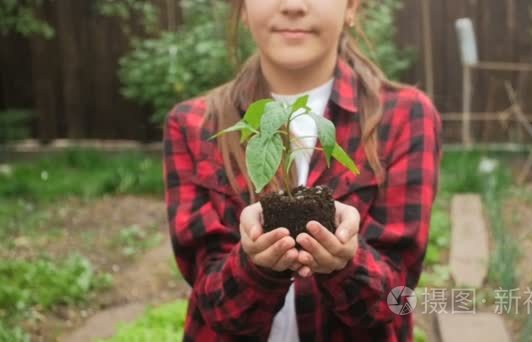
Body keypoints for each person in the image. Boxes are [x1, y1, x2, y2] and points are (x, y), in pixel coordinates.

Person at [162, 0, 443, 341]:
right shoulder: (193, 124)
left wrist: (347, 261)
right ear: (244, 10)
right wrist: (253, 264)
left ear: (351, 7)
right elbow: (215, 304)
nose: (293, 5)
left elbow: (391, 300)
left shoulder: (405, 116)